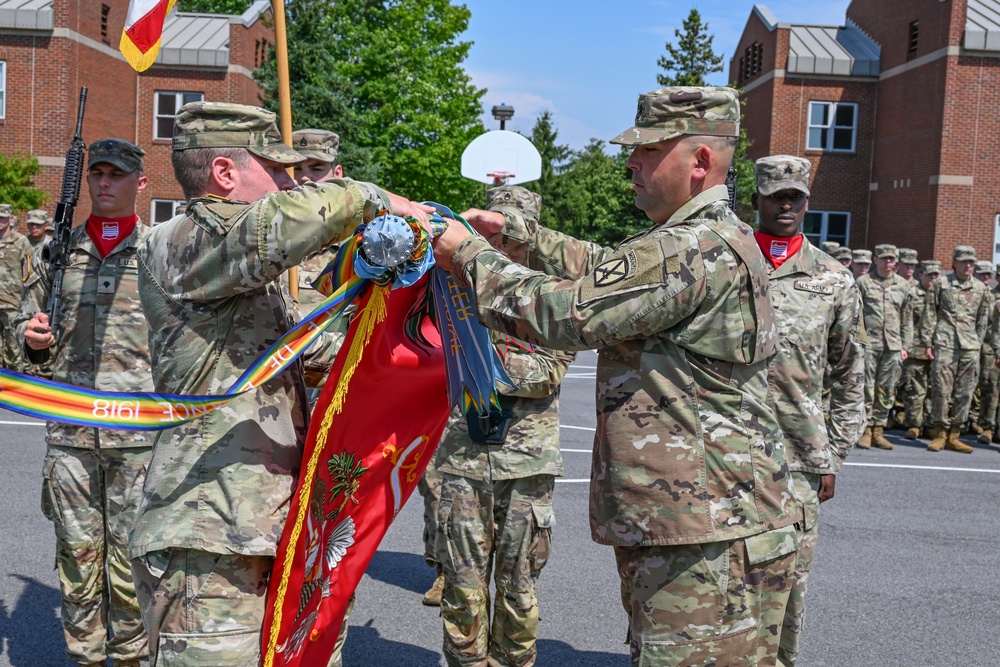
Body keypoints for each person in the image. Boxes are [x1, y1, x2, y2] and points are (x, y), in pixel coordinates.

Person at [432, 86, 798, 667]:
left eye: (650, 150)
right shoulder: (700, 240)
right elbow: (609, 272)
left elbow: (565, 313)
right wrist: (522, 235)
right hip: (700, 525)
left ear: (700, 162)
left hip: (703, 535)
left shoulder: (689, 248)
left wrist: (469, 253)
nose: (632, 162)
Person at [129, 101, 429, 666]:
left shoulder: (243, 277)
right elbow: (293, 220)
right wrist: (380, 202)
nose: (289, 182)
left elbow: (309, 352)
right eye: (275, 168)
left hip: (279, 530)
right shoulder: (179, 243)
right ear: (224, 173)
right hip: (208, 537)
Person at [16, 138, 153, 667]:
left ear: (140, 183)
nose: (103, 183)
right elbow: (21, 337)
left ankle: (128, 659)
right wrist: (30, 339)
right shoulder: (54, 251)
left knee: (132, 559)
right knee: (77, 559)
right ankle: (86, 659)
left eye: (116, 175)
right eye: (96, 173)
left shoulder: (161, 252)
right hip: (71, 436)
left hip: (138, 434)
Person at [431, 187, 570, 667]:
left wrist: (476, 356)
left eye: (510, 233)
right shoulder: (451, 287)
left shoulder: (552, 296)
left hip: (526, 465)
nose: (501, 246)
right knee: (462, 591)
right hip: (463, 460)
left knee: (517, 590)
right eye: (494, 232)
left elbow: (546, 371)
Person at [750, 155, 865, 667]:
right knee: (724, 582)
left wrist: (832, 454)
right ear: (758, 200)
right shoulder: (729, 267)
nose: (787, 205)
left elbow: (850, 377)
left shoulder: (833, 280)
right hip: (725, 455)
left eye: (795, 196)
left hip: (798, 462)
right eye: (777, 196)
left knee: (788, 584)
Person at [921, 246, 992, 453]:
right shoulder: (941, 285)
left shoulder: (981, 288)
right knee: (942, 390)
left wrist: (977, 343)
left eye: (971, 262)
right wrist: (927, 343)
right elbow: (930, 314)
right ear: (954, 262)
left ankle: (955, 434)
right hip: (945, 343)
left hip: (969, 347)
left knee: (965, 391)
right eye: (964, 261)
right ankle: (940, 433)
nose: (968, 265)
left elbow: (983, 319)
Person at [855, 244, 912, 449]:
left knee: (887, 389)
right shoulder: (863, 282)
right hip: (869, 344)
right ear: (876, 260)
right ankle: (865, 430)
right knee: (867, 388)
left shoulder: (904, 286)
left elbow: (907, 318)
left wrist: (906, 345)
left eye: (891, 259)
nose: (888, 262)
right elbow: (855, 315)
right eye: (884, 258)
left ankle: (879, 429)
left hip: (894, 345)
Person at [903, 260, 942, 439]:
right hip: (917, 348)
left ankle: (930, 424)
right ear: (921, 275)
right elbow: (907, 321)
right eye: (929, 274)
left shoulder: (945, 294)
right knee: (915, 390)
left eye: (936, 274)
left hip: (941, 349)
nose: (933, 278)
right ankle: (914, 425)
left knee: (935, 390)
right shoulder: (913, 293)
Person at [0, 202, 32, 372]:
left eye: (3, 218)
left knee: (13, 350)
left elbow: (29, 273)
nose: (0, 221)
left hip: (12, 303)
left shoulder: (21, 242)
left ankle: (13, 387)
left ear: (11, 219)